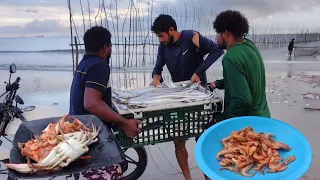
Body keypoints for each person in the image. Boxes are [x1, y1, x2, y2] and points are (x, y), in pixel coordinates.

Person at [150, 14, 224, 180]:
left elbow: (217, 50)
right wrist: (156, 78)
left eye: (161, 36)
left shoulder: (191, 36)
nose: (160, 40)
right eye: (158, 37)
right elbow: (158, 67)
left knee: (203, 141)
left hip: (199, 98)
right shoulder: (163, 46)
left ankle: (209, 177)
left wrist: (199, 71)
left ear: (171, 30)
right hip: (178, 99)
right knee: (179, 141)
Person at [69, 26, 141, 180]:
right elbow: (91, 103)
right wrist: (124, 122)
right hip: (94, 141)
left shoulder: (84, 64)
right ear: (106, 47)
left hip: (80, 137)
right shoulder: (100, 66)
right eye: (110, 46)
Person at [208, 10, 271, 128]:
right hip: (264, 119)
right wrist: (216, 84)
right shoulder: (249, 45)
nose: (216, 38)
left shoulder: (230, 57)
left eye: (218, 33)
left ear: (226, 33)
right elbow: (243, 79)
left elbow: (241, 102)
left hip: (248, 127)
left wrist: (218, 120)